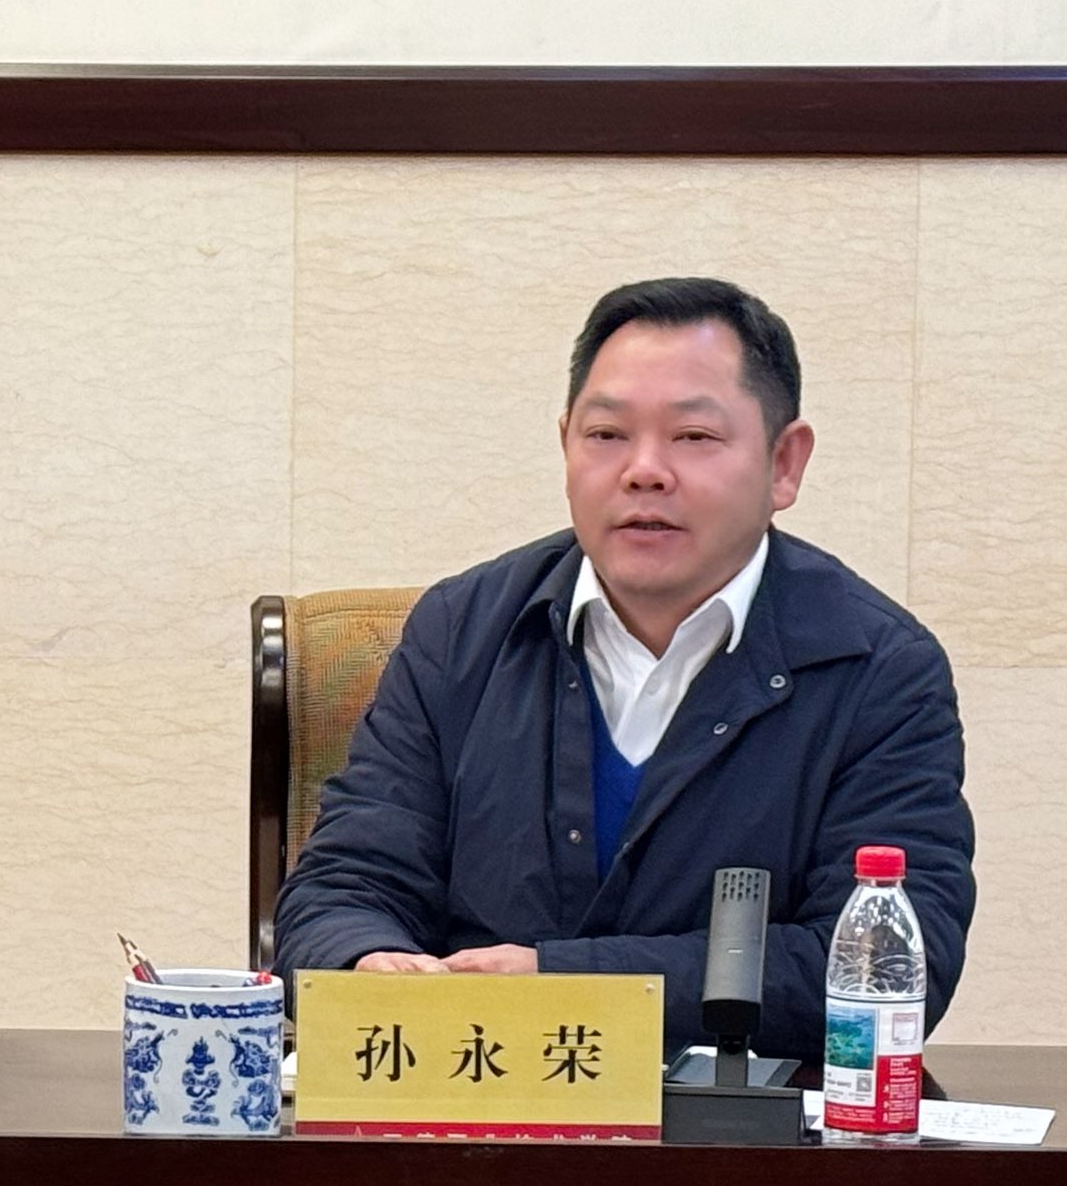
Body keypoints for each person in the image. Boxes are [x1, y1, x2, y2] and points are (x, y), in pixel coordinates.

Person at [275, 278, 972, 1056]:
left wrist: (565, 984)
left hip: (736, 1123)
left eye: (693, 437)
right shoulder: (459, 632)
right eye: (606, 435)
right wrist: (367, 963)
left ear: (784, 463)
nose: (644, 471)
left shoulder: (878, 670)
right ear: (566, 445)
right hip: (474, 1096)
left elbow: (886, 968)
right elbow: (341, 890)